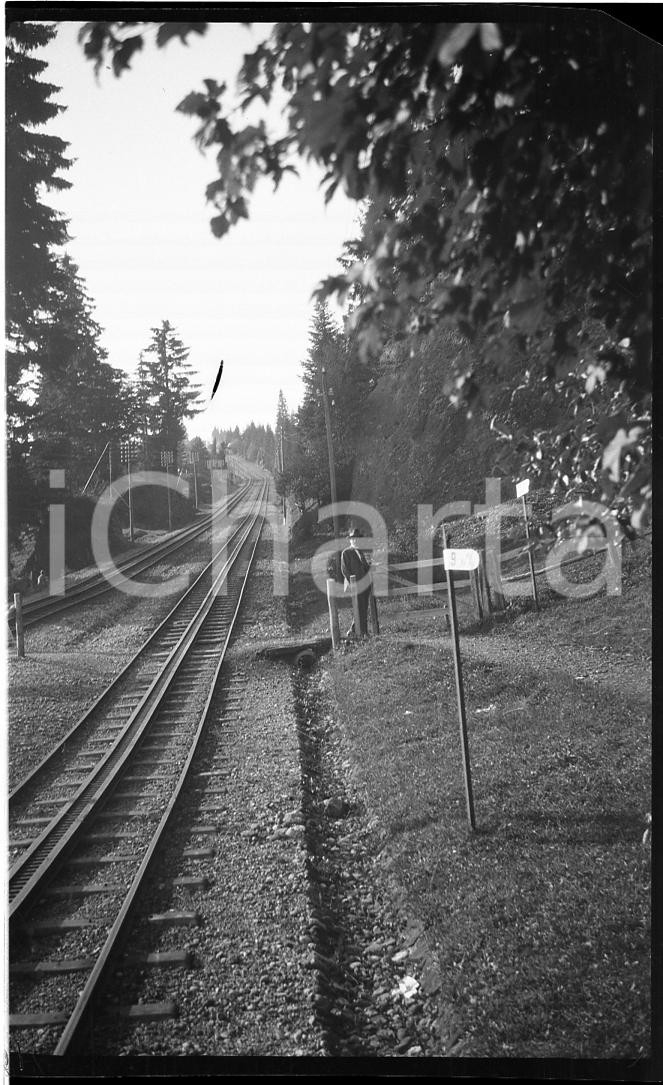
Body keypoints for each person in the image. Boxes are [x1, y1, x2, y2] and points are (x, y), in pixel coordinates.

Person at [341, 527, 372, 638]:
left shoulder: (361, 552)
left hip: (365, 584)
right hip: (355, 585)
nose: (355, 540)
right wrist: (353, 583)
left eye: (357, 538)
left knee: (364, 608)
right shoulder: (346, 552)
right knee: (358, 608)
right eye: (353, 538)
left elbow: (366, 566)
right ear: (350, 540)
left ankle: (361, 632)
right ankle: (356, 631)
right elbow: (345, 570)